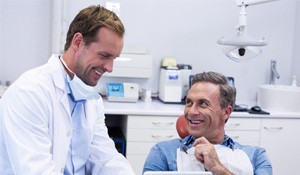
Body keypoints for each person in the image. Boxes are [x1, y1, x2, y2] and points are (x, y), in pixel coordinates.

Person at [0, 5, 135, 175]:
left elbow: (106, 158)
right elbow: (37, 171)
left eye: (114, 58)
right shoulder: (29, 94)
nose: (110, 68)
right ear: (78, 42)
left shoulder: (92, 100)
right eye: (104, 56)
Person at [143, 71, 272, 175]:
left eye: (203, 104)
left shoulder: (256, 157)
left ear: (226, 112)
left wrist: (217, 168)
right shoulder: (163, 152)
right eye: (189, 103)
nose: (191, 111)